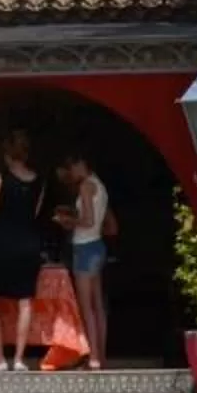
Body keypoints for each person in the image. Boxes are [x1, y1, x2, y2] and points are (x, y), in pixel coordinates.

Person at [0, 129, 49, 372]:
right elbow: (37, 214)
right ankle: (19, 359)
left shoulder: (1, 177)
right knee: (25, 302)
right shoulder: (39, 181)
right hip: (30, 243)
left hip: (5, 244)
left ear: (7, 154)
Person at [62, 153, 111, 368]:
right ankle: (101, 355)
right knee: (98, 304)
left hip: (84, 247)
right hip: (98, 245)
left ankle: (92, 356)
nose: (72, 174)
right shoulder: (99, 185)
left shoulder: (86, 187)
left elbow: (88, 220)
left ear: (81, 164)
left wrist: (69, 221)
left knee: (86, 306)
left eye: (72, 168)